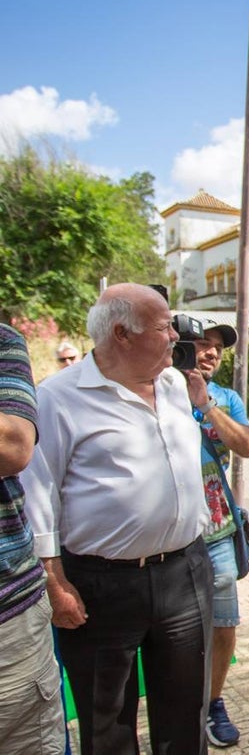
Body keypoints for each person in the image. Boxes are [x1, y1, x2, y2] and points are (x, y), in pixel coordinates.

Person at [23, 282, 213, 755]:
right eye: (163, 326)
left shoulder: (173, 384)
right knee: (106, 722)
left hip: (184, 573)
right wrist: (54, 580)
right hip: (100, 585)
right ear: (122, 334)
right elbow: (38, 490)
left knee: (186, 715)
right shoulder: (59, 397)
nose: (175, 335)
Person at [186, 318, 249, 748]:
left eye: (217, 347)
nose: (211, 352)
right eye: (201, 343)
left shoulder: (225, 398)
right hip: (168, 538)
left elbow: (246, 445)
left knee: (224, 620)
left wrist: (206, 405)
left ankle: (213, 701)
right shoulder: (155, 389)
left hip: (215, 531)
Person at [0, 323, 66, 754]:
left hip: (9, 625)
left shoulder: (3, 342)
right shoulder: (64, 392)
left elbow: (13, 446)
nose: (171, 337)